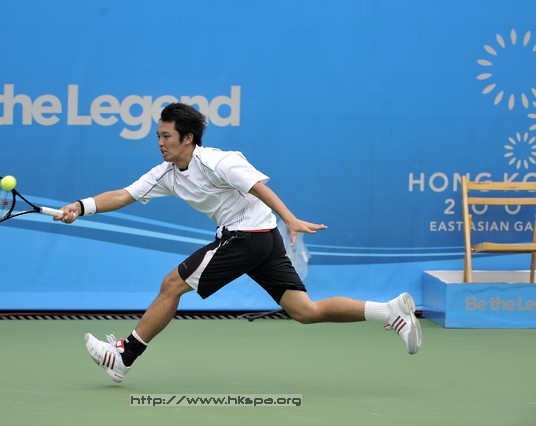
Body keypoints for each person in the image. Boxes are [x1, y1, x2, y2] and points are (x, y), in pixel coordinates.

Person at [56, 102, 422, 384]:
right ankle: (389, 311)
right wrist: (80, 206)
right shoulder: (165, 174)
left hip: (247, 236)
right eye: (158, 136)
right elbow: (123, 195)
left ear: (188, 138)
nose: (160, 143)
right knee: (304, 311)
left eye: (166, 136)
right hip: (263, 239)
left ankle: (124, 357)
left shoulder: (217, 161)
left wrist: (290, 218)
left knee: (172, 285)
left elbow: (257, 187)